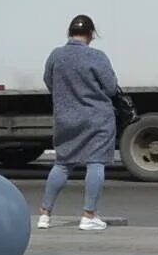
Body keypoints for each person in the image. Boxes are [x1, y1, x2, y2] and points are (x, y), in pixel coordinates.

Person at [40, 14, 120, 232]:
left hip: (65, 118)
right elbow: (111, 88)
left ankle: (45, 215)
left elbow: (49, 81)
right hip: (97, 118)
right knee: (95, 163)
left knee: (62, 163)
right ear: (91, 34)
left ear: (69, 33)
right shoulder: (97, 56)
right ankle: (89, 215)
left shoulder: (56, 55)